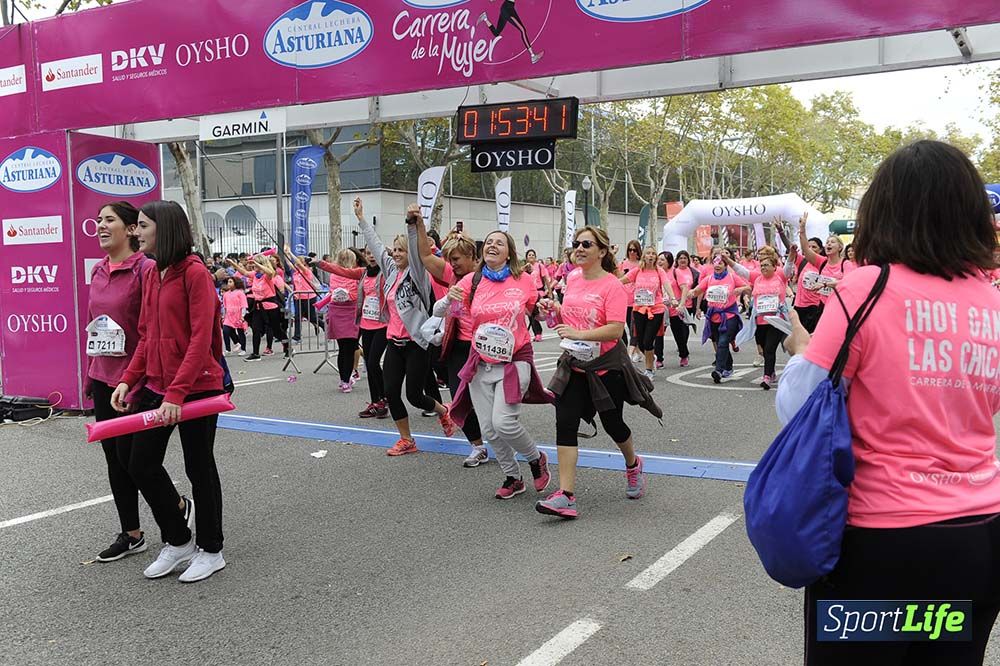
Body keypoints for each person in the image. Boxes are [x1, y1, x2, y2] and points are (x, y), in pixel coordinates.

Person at [776, 140, 1000, 665]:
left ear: (883, 210)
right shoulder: (991, 301)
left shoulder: (866, 289)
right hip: (977, 539)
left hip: (881, 544)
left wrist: (801, 350)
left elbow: (799, 408)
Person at [110, 200, 226, 583]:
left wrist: (177, 394)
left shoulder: (195, 273)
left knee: (199, 467)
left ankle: (212, 550)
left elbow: (200, 340)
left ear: (166, 228)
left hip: (197, 387)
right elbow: (146, 336)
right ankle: (179, 540)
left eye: (142, 225)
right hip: (158, 386)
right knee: (139, 462)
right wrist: (128, 380)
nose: (136, 232)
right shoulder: (152, 274)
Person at [536, 227, 660, 519]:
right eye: (576, 243)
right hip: (574, 364)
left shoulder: (612, 285)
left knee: (613, 424)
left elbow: (615, 330)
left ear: (602, 251)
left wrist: (579, 333)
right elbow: (570, 318)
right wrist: (553, 309)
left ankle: (633, 464)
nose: (579, 248)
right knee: (565, 422)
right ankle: (566, 495)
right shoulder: (572, 278)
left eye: (586, 244)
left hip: (606, 368)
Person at [446, 231, 551, 499]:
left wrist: (546, 309)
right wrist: (449, 299)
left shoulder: (523, 280)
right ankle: (513, 477)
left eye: (499, 243)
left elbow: (536, 312)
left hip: (515, 360)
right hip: (480, 361)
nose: (492, 245)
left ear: (509, 252)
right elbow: (446, 312)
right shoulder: (472, 281)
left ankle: (536, 458)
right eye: (489, 242)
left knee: (504, 422)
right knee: (490, 429)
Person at [354, 198, 455, 455]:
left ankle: (443, 410)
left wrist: (412, 224)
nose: (397, 254)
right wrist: (362, 219)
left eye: (402, 250)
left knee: (414, 396)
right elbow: (377, 247)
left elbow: (416, 249)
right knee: (391, 392)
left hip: (416, 344)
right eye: (395, 250)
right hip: (394, 342)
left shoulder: (418, 275)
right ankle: (407, 439)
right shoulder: (391, 272)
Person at [86, 201, 157, 562]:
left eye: (109, 220)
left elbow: (150, 330)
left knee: (135, 461)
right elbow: (95, 326)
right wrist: (91, 373)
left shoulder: (146, 269)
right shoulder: (98, 269)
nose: (100, 225)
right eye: (99, 219)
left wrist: (134, 379)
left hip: (135, 380)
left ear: (131, 229)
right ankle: (132, 533)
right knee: (114, 459)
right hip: (103, 377)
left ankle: (177, 507)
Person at [415, 219, 489, 467]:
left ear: (472, 257)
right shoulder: (451, 275)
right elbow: (426, 256)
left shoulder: (487, 277)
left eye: (456, 259)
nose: (452, 264)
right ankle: (477, 446)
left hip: (485, 348)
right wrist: (418, 224)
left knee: (491, 402)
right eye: (449, 259)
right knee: (458, 400)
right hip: (458, 346)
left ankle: (504, 440)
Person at [688, 248, 751, 383]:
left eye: (720, 263)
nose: (717, 265)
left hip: (729, 315)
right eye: (715, 263)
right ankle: (728, 367)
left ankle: (718, 370)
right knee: (720, 343)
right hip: (713, 316)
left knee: (723, 342)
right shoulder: (709, 278)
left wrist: (741, 289)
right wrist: (690, 293)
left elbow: (748, 288)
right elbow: (697, 290)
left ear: (725, 265)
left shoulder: (732, 277)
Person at [621, 247, 673, 379]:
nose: (651, 256)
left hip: (656, 309)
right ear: (644, 256)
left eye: (653, 254)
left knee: (648, 340)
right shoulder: (637, 270)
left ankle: (649, 370)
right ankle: (651, 358)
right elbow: (621, 281)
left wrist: (672, 298)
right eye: (648, 254)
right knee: (641, 342)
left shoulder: (659, 271)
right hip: (639, 309)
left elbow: (666, 284)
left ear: (656, 257)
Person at [229, 253, 288, 361]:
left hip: (270, 306)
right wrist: (233, 264)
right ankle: (255, 353)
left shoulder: (267, 276)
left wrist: (258, 264)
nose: (253, 266)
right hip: (258, 306)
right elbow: (244, 272)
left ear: (260, 264)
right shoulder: (255, 275)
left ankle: (288, 347)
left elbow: (270, 272)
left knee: (277, 330)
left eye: (255, 264)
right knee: (256, 329)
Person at [524, 249, 551, 343]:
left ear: (535, 257)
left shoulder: (540, 266)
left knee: (540, 313)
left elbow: (546, 279)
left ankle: (549, 324)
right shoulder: (525, 268)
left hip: (539, 293)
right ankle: (537, 333)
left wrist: (549, 291)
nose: (531, 256)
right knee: (531, 314)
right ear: (526, 257)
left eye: (533, 255)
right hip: (529, 294)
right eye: (529, 255)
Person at [220, 277, 248, 356]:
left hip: (238, 315)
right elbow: (225, 306)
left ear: (235, 283)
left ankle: (243, 349)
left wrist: (242, 315)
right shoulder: (226, 294)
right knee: (225, 331)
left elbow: (243, 305)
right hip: (229, 316)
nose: (228, 284)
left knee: (240, 332)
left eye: (230, 282)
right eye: (228, 282)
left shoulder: (240, 293)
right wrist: (224, 316)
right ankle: (228, 349)